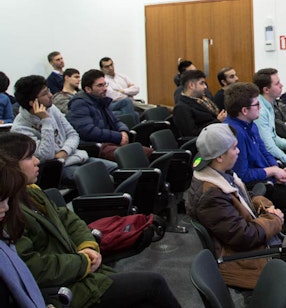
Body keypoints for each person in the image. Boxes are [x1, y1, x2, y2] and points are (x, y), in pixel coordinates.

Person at [0, 132, 182, 308]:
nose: (37, 161)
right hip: (66, 290)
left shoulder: (32, 192)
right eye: (29, 157)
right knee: (154, 284)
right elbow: (33, 268)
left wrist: (87, 246)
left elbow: (69, 219)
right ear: (11, 166)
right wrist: (83, 262)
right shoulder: (8, 212)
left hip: (79, 273)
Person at [186, 123, 286, 308]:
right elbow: (245, 236)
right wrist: (274, 219)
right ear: (219, 157)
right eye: (234, 148)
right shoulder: (212, 196)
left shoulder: (219, 175)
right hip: (254, 257)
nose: (238, 151)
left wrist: (265, 207)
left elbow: (247, 198)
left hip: (261, 246)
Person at [224, 82, 286, 226]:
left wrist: (277, 169)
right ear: (244, 110)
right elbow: (243, 175)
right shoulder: (235, 133)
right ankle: (278, 228)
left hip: (268, 175)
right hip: (257, 186)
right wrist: (273, 171)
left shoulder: (251, 124)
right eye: (257, 105)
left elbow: (264, 151)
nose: (260, 107)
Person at [11, 75, 116, 183]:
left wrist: (64, 152)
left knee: (115, 169)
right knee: (103, 179)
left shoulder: (52, 108)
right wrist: (46, 121)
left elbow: (73, 134)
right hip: (57, 169)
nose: (50, 95)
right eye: (45, 93)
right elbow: (46, 155)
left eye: (48, 90)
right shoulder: (20, 129)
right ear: (33, 103)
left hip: (74, 157)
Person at [66, 70, 151, 161]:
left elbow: (116, 122)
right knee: (140, 155)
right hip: (96, 146)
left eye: (105, 84)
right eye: (100, 85)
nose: (105, 89)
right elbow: (88, 131)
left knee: (150, 153)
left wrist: (123, 131)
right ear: (88, 89)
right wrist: (118, 137)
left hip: (110, 142)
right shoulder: (79, 104)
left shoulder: (100, 100)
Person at [0, 153, 49, 308]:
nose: (6, 207)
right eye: (0, 200)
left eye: (7, 199)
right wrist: (83, 262)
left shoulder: (5, 241)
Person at [173, 69, 227, 138]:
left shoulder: (204, 100)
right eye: (202, 83)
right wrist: (217, 121)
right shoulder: (181, 107)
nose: (205, 87)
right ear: (191, 85)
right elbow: (191, 134)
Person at [98, 58, 139, 125]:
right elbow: (113, 96)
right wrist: (129, 92)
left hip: (130, 102)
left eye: (111, 65)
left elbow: (136, 89)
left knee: (136, 114)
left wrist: (123, 91)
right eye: (107, 67)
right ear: (101, 69)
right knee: (127, 101)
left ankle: (133, 129)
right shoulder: (104, 80)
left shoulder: (122, 76)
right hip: (111, 104)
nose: (110, 68)